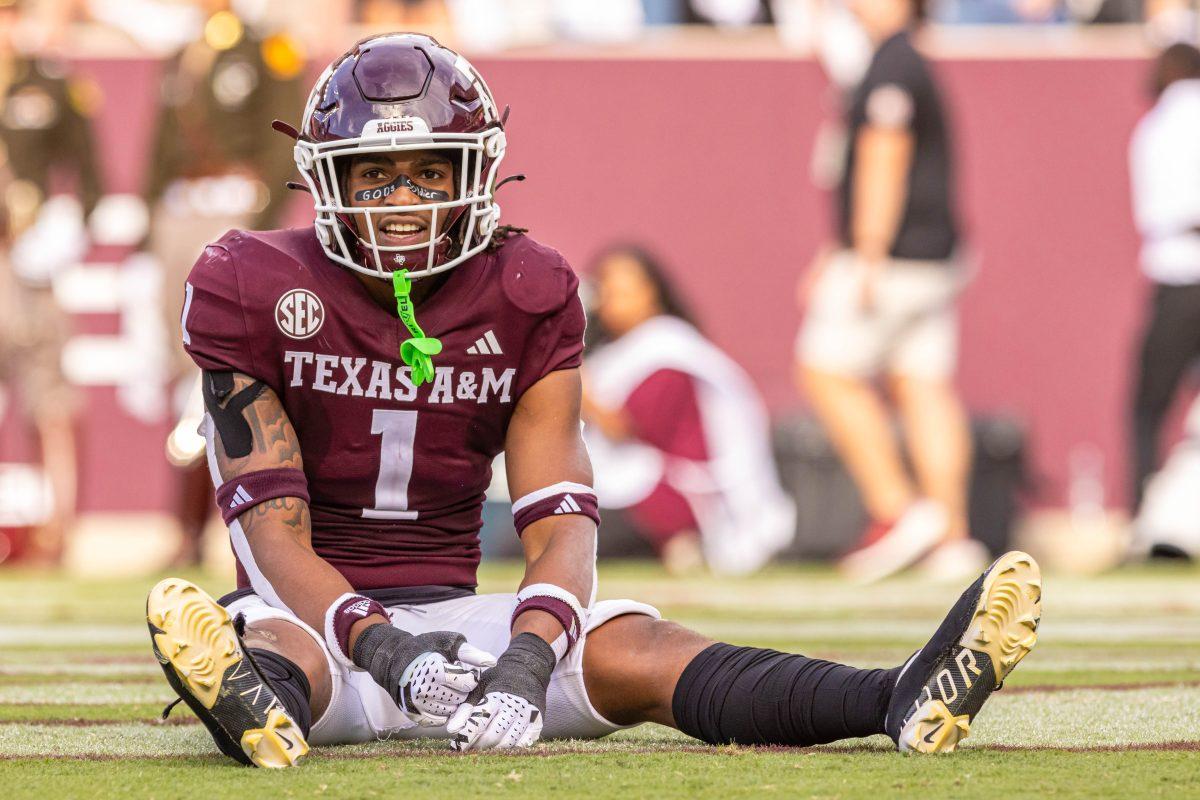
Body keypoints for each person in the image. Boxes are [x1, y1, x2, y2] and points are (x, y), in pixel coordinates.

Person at [144, 33, 1041, 767]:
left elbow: (562, 518)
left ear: (478, 173)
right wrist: (384, 648)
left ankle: (893, 697)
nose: (402, 203)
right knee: (280, 655)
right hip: (316, 613)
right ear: (325, 179)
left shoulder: (525, 288)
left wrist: (531, 657)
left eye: (430, 172)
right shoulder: (250, 281)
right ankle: (249, 700)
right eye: (375, 175)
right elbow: (272, 534)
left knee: (637, 645)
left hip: (463, 613)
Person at [796, 0, 983, 583]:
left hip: (894, 256)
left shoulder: (893, 63)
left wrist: (867, 252)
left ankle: (897, 508)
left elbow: (885, 150)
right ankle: (951, 534)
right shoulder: (901, 60)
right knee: (922, 383)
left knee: (823, 367)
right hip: (933, 257)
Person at [146, 0, 305, 566]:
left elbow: (282, 129)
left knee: (225, 370)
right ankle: (185, 528)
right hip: (182, 205)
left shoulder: (266, 47)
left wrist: (260, 217)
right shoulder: (184, 51)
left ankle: (242, 528)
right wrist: (148, 217)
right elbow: (161, 144)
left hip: (233, 205)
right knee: (180, 368)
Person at [581, 245, 795, 575]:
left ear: (652, 291)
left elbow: (624, 428)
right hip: (631, 487)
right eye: (605, 290)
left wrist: (574, 381)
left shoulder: (668, 349)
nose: (611, 299)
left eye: (623, 290)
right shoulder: (613, 352)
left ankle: (680, 543)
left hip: (672, 492)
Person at [0, 0, 101, 565]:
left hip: (27, 260)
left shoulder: (51, 83)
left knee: (50, 400)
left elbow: (88, 171)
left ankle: (59, 532)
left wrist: (66, 228)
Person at [1127, 43, 1200, 518]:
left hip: (1177, 277)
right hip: (1178, 265)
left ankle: (1144, 514)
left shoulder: (1153, 129)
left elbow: (1153, 212)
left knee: (1148, 407)